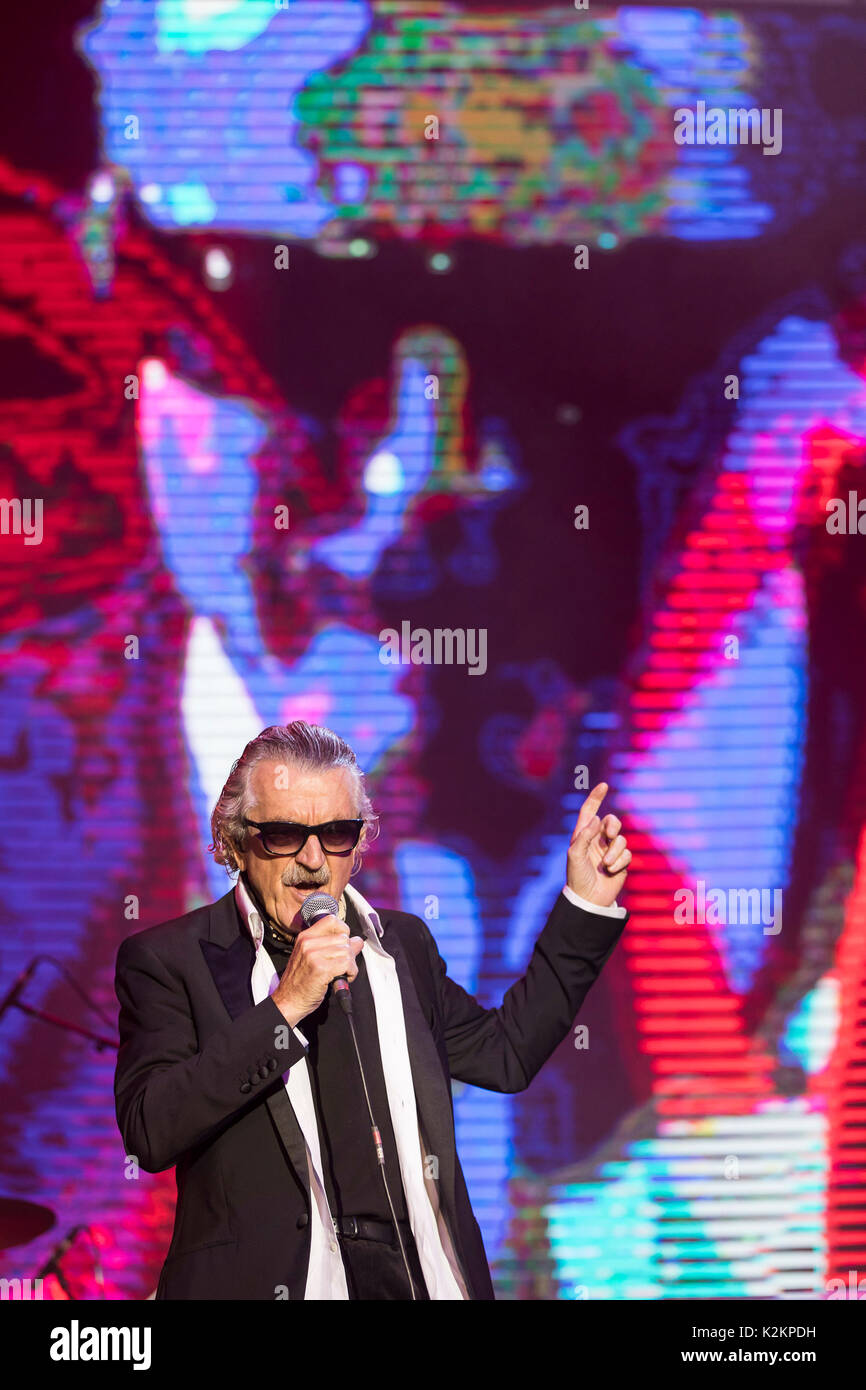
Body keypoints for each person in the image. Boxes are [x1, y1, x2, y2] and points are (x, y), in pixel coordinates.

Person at [113, 721, 631, 1300]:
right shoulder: (171, 960)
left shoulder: (400, 947)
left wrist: (585, 904)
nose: (312, 860)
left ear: (358, 844)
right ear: (233, 842)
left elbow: (506, 1055)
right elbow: (150, 1130)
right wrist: (286, 1009)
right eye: (283, 834)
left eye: (335, 833)